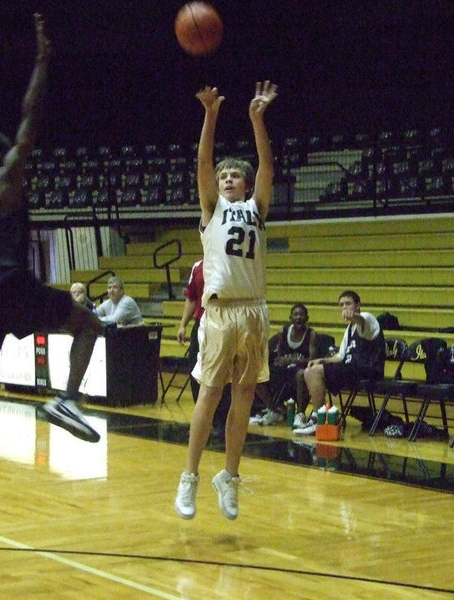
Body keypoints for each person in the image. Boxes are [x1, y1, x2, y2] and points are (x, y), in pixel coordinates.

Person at [0, 13, 103, 463]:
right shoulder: (4, 179)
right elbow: (31, 115)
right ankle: (67, 400)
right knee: (90, 324)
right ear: (3, 157)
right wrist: (43, 62)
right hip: (6, 284)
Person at [174, 80, 278, 521]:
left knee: (246, 397)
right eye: (223, 176)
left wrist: (257, 119)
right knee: (210, 396)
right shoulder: (211, 210)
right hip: (218, 313)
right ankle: (190, 477)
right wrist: (211, 115)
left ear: (246, 182)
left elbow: (268, 164)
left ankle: (228, 477)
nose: (228, 179)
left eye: (235, 174)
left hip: (253, 311)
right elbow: (202, 160)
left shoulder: (257, 208)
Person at [293, 290, 385, 435]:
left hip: (368, 369)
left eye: (348, 304)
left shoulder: (368, 318)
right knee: (310, 369)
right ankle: (319, 416)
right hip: (350, 369)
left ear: (358, 305)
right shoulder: (349, 329)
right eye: (341, 305)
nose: (344, 307)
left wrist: (354, 316)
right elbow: (341, 356)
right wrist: (323, 359)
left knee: (316, 371)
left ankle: (319, 419)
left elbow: (362, 320)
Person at [177, 258, 230, 439]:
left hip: (223, 322)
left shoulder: (228, 262)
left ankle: (221, 422)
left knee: (221, 375)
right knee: (195, 373)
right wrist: (183, 324)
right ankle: (203, 421)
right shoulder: (197, 266)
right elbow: (191, 297)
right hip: (201, 323)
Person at [252, 303, 318, 425]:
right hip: (284, 369)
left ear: (307, 318)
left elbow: (312, 360)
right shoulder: (283, 331)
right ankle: (273, 409)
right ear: (290, 318)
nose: (298, 317)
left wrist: (292, 361)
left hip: (301, 368)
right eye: (296, 314)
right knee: (257, 374)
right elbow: (279, 355)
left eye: (302, 315)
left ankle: (300, 414)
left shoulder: (311, 334)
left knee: (300, 374)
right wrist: (279, 360)